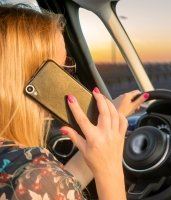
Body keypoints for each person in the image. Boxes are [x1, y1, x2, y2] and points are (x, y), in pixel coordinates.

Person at [0, 4, 149, 200]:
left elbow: (53, 188)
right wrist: (110, 169)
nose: (69, 78)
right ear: (34, 80)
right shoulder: (33, 175)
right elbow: (46, 186)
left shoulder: (29, 173)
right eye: (62, 68)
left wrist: (105, 136)